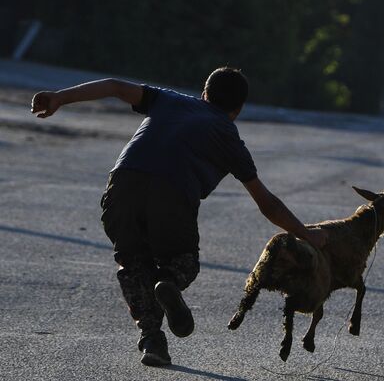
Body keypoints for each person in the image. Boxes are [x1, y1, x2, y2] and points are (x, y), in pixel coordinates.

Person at [30, 67, 328, 366]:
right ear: (237, 110)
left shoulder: (169, 100)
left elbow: (114, 86)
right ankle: (169, 283)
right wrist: (307, 233)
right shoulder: (228, 136)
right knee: (182, 262)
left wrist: (59, 97)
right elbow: (268, 204)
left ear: (204, 94)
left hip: (123, 183)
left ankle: (152, 339)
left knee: (133, 263)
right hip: (172, 192)